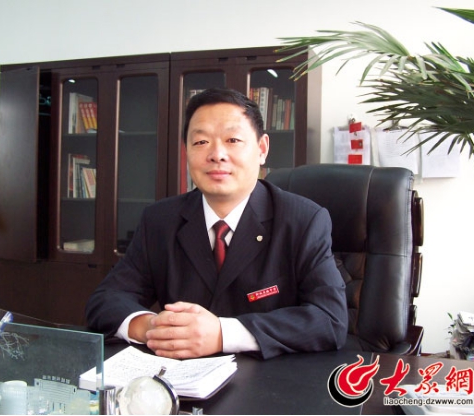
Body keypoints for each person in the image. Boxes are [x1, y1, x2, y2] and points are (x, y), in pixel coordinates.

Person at [85, 87, 348, 360]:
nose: (217, 154)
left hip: (268, 378)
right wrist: (151, 327)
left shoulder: (302, 220)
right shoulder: (160, 220)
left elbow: (330, 320)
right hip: (180, 377)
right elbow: (106, 300)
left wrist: (223, 334)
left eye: (233, 140)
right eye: (201, 142)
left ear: (262, 149)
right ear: (186, 152)